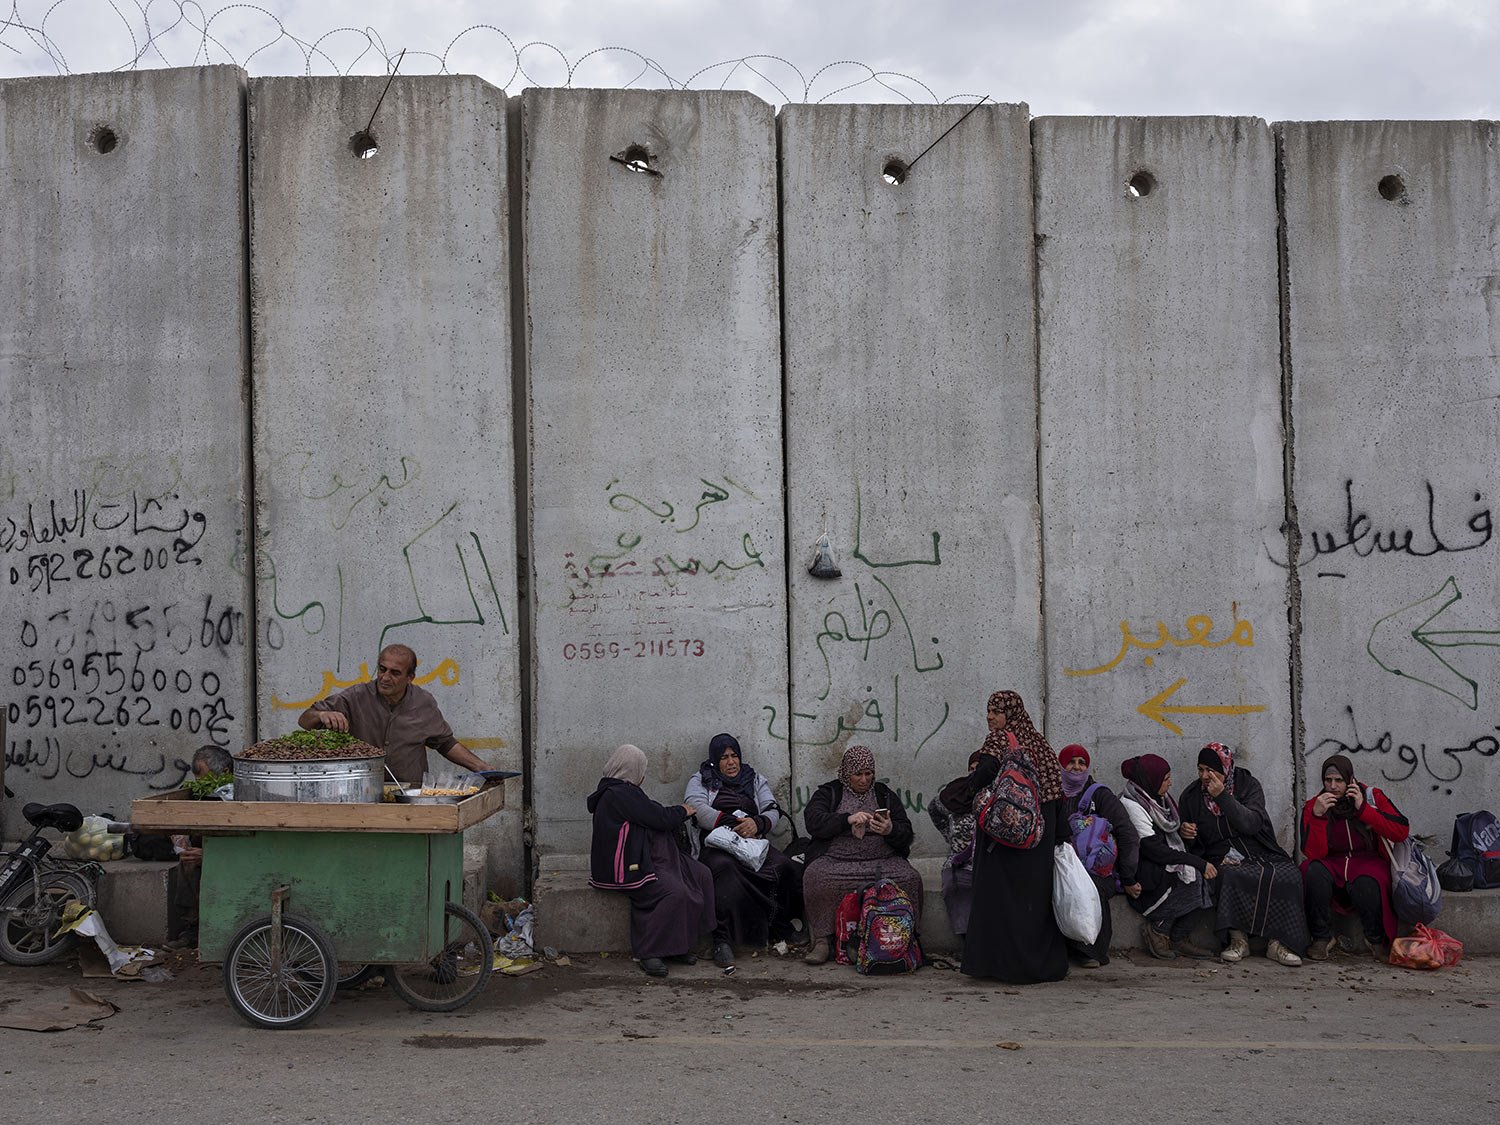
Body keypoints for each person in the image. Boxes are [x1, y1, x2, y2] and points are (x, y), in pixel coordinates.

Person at [939, 691, 1068, 985]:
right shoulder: (1040, 744)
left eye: (996, 712)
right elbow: (1057, 794)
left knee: (1000, 899)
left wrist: (961, 794)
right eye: (988, 711)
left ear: (1010, 714)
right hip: (1038, 837)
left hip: (1005, 839)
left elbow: (983, 774)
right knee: (1033, 900)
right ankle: (1038, 965)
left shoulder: (1000, 739)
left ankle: (999, 965)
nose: (990, 717)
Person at [587, 744, 719, 978]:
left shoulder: (625, 792)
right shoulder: (619, 793)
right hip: (627, 866)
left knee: (701, 875)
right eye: (641, 769)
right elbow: (657, 817)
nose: (644, 775)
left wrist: (676, 812)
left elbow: (650, 812)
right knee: (674, 891)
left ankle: (679, 946)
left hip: (648, 856)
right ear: (632, 769)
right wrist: (683, 811)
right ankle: (649, 951)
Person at [1179, 742, 1309, 966]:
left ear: (1226, 767)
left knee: (1289, 876)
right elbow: (1194, 843)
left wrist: (1223, 798)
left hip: (1260, 848)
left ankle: (1278, 943)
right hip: (1221, 853)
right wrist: (1187, 833)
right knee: (1229, 874)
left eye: (1211, 770)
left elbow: (1251, 824)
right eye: (1201, 769)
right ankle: (1238, 940)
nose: (1205, 776)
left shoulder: (1248, 785)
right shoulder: (1192, 796)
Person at [683, 733, 800, 968]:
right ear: (715, 760)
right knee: (725, 870)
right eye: (724, 757)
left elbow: (771, 808)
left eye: (734, 756)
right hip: (716, 844)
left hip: (751, 842)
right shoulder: (702, 779)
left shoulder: (753, 778)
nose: (731, 762)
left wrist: (757, 823)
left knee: (783, 867)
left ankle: (777, 925)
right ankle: (722, 940)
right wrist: (730, 823)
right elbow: (696, 807)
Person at [298, 643, 489, 784]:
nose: (385, 678)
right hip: (362, 794)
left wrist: (481, 768)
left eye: (395, 673)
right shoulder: (355, 696)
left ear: (410, 677)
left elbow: (445, 743)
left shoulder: (423, 703)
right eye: (382, 669)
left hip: (409, 796)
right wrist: (321, 715)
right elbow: (305, 720)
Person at [800, 745, 922, 965]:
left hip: (881, 861)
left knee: (910, 878)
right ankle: (823, 940)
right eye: (858, 774)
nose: (864, 779)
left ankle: (907, 939)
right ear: (847, 774)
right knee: (815, 877)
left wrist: (890, 829)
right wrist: (846, 819)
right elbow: (813, 821)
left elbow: (906, 831)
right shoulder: (830, 793)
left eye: (869, 773)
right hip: (837, 861)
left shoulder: (884, 794)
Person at [1300, 753, 1410, 962]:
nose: (1333, 786)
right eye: (1328, 780)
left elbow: (1400, 830)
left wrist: (1364, 809)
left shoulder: (1371, 796)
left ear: (1350, 779)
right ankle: (1321, 937)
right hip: (1332, 862)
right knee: (1310, 870)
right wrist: (1317, 816)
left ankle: (1376, 939)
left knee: (1368, 882)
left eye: (1339, 780)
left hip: (1368, 861)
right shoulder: (1315, 804)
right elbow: (1314, 853)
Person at [1119, 753, 1216, 959]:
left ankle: (1179, 937)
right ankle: (1159, 928)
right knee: (1196, 875)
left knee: (1211, 880)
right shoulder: (1133, 805)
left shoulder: (1159, 799)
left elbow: (1168, 832)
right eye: (1165, 779)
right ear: (1150, 780)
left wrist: (1183, 831)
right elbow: (1152, 849)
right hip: (1143, 869)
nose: (1171, 783)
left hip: (1160, 861)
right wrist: (1196, 862)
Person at [1057, 743, 1141, 968]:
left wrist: (1128, 876)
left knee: (1089, 887)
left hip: (1096, 870)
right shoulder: (1052, 795)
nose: (1076, 767)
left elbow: (1128, 834)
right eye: (1071, 762)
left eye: (1081, 762)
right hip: (1062, 866)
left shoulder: (1100, 796)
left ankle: (1090, 949)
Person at [927, 750, 981, 942]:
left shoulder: (995, 794)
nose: (975, 773)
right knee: (953, 884)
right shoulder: (957, 794)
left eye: (979, 769)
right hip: (959, 858)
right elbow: (934, 809)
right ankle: (966, 938)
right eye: (971, 769)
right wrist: (950, 836)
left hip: (989, 859)